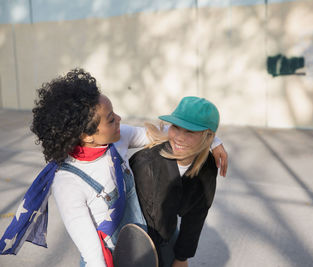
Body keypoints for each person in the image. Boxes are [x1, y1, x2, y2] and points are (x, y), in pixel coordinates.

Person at [0, 68, 228, 267]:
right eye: (110, 119)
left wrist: (211, 140)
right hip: (107, 257)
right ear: (86, 136)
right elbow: (92, 254)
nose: (119, 118)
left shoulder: (115, 140)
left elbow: (162, 135)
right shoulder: (67, 183)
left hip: (143, 244)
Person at [129, 96, 222, 267]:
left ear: (208, 137)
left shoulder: (208, 166)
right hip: (138, 237)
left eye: (190, 132)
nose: (179, 137)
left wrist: (181, 256)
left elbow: (197, 214)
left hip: (167, 231)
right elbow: (150, 223)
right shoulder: (147, 164)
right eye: (176, 127)